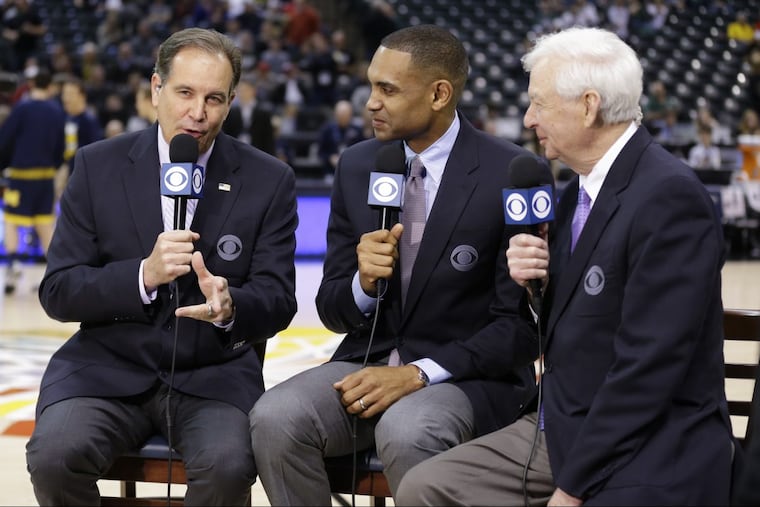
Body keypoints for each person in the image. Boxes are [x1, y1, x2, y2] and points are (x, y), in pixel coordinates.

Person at [396, 26, 735, 506]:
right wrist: (535, 288)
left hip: (651, 442)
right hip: (561, 424)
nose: (529, 118)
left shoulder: (670, 197)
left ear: (589, 105)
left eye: (540, 103)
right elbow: (570, 321)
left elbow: (649, 367)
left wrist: (571, 489)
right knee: (426, 488)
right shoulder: (576, 192)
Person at [250, 24, 539, 504]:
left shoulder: (509, 172)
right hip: (370, 360)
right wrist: (362, 284)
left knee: (409, 429)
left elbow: (519, 329)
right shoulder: (358, 164)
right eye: (370, 86)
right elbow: (331, 310)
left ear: (439, 94)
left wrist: (418, 373)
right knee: (274, 418)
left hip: (469, 378)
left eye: (387, 89)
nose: (370, 102)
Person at [25, 27, 298, 506]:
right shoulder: (97, 165)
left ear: (231, 102)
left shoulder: (268, 179)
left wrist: (233, 307)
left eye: (214, 98)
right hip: (106, 368)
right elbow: (59, 290)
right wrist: (143, 275)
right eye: (185, 93)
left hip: (213, 377)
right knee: (53, 456)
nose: (198, 113)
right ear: (155, 89)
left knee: (229, 467)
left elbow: (278, 300)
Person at [0, 67, 65, 295]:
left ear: (31, 85)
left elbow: (5, 140)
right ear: (49, 87)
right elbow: (61, 148)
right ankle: (53, 273)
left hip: (20, 177)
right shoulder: (57, 111)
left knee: (11, 220)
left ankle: (13, 265)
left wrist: (4, 164)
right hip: (45, 179)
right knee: (45, 224)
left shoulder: (22, 109)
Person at [222, 74, 276, 155]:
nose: (243, 93)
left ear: (253, 91)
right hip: (235, 151)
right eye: (241, 90)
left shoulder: (263, 112)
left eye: (246, 90)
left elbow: (268, 138)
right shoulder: (232, 111)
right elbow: (226, 133)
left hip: (257, 151)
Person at [317, 99, 365, 180]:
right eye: (341, 115)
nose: (343, 117)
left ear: (350, 115)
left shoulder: (357, 130)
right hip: (331, 172)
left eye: (345, 115)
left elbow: (362, 153)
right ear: (335, 114)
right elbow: (320, 152)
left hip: (353, 171)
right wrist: (330, 158)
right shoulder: (327, 130)